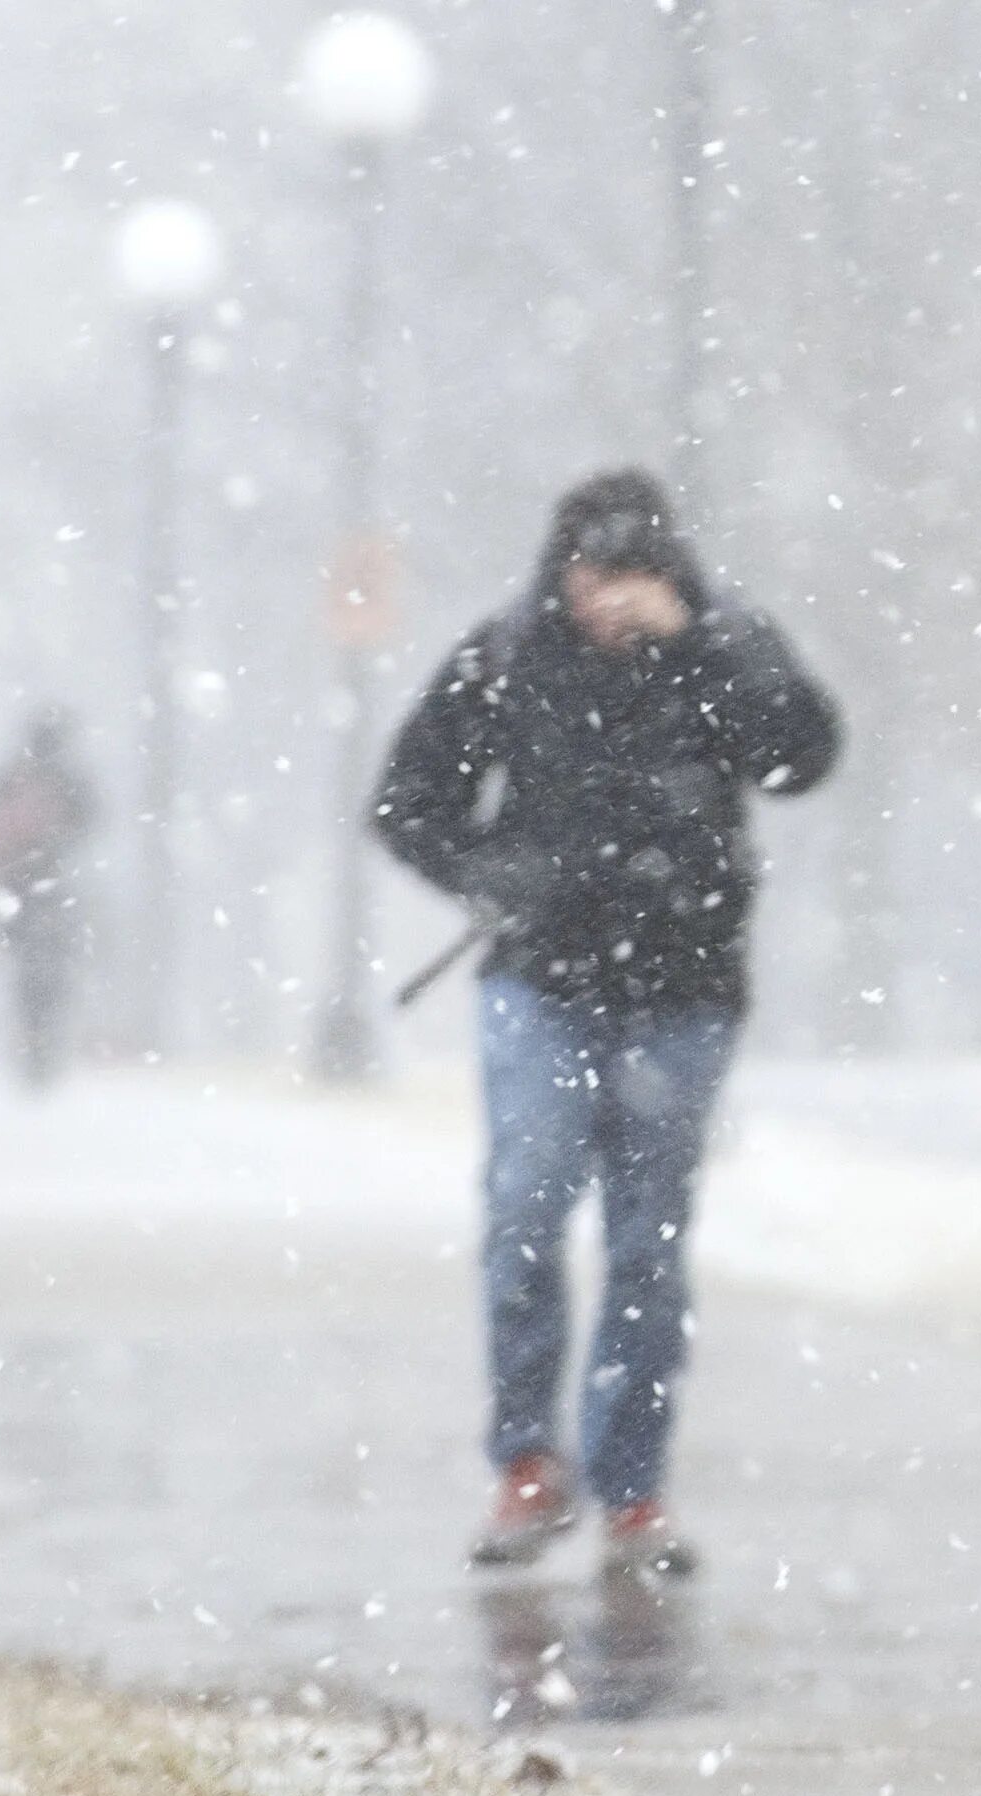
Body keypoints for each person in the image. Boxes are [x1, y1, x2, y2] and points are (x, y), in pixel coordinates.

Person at [373, 469, 842, 1578]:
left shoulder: (721, 651)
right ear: (563, 571)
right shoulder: (507, 656)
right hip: (540, 983)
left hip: (683, 992)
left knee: (649, 1245)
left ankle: (634, 1490)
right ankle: (528, 1461)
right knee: (526, 1211)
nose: (610, 601)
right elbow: (407, 800)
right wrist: (495, 872)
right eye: (594, 574)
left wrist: (708, 646)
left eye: (634, 575)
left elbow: (804, 755)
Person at [0, 707, 99, 1089]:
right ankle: (42, 1047)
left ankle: (30, 1044)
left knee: (24, 975)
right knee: (51, 974)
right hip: (51, 885)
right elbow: (91, 818)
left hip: (13, 888)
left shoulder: (11, 777)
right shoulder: (64, 779)